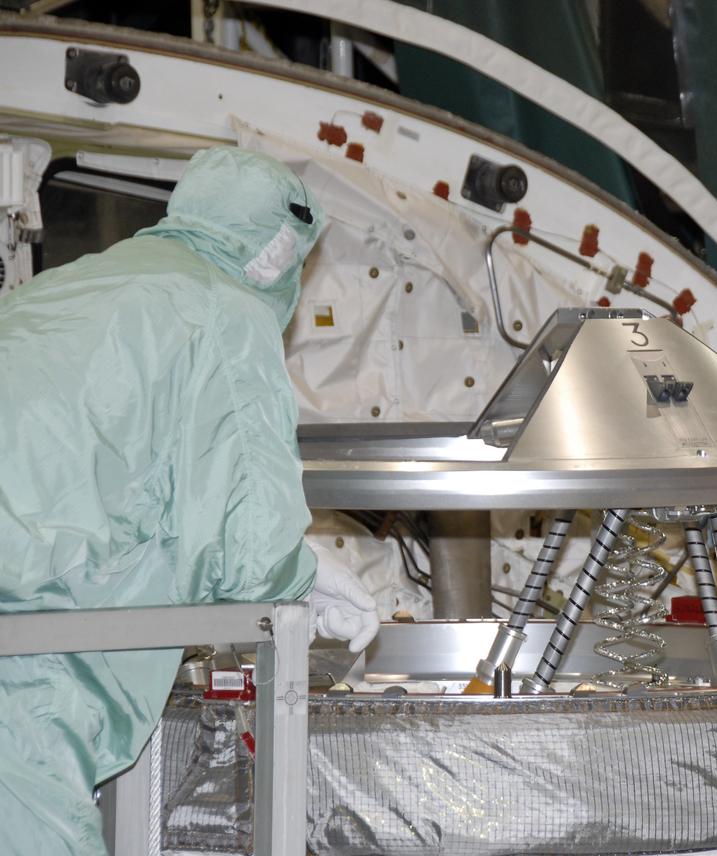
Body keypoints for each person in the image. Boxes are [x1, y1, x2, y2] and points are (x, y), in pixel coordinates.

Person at [0, 146, 378, 855]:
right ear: (275, 254)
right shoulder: (225, 313)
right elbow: (250, 550)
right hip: (22, 660)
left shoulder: (60, 289)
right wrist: (302, 576)